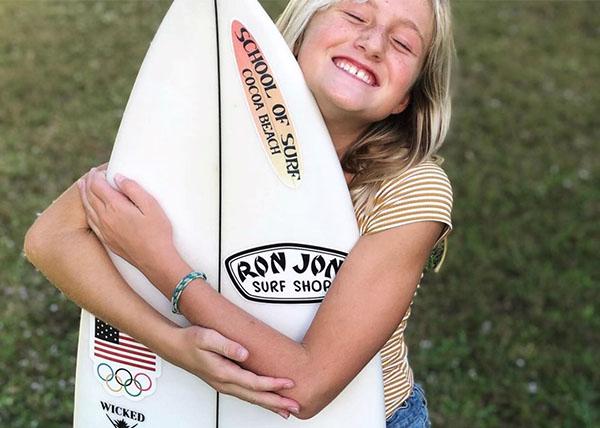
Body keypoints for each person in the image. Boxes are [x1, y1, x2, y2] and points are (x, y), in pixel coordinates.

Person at [24, 0, 454, 426]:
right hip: (194, 410)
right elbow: (51, 239)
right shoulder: (212, 131)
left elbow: (304, 386)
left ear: (406, 98)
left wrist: (163, 266)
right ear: (299, 32)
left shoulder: (411, 189)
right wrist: (173, 343)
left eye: (402, 43)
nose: (373, 43)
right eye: (355, 16)